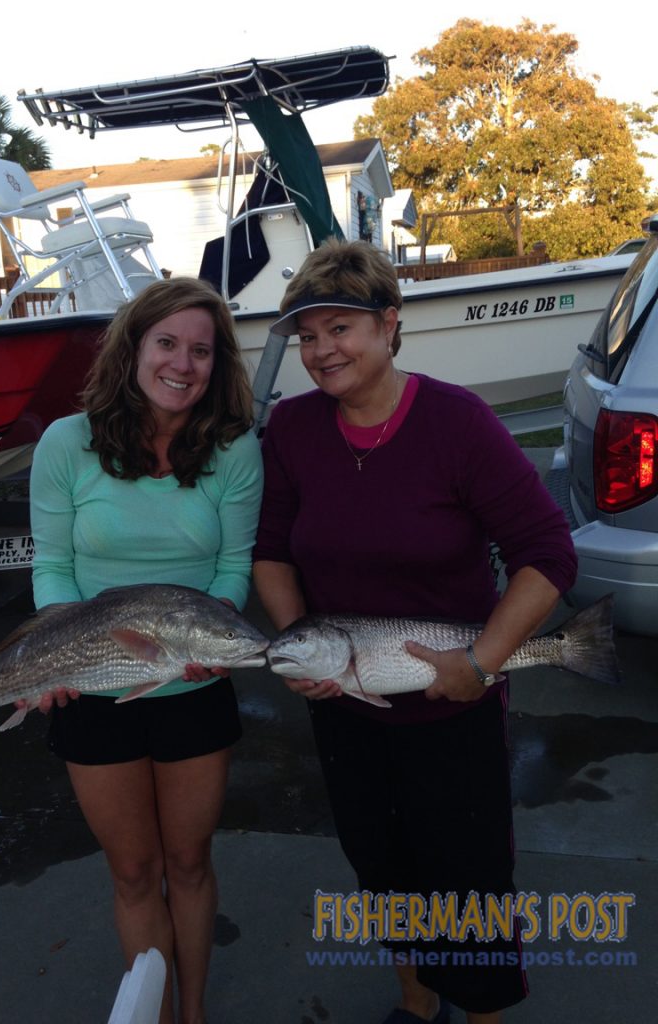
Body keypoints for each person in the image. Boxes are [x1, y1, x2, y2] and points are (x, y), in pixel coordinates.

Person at [252, 239, 577, 1024]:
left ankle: (482, 1014)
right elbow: (270, 552)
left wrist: (480, 660)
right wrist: (302, 647)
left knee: (466, 881)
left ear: (390, 323)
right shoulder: (293, 430)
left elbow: (546, 555)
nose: (322, 350)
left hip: (453, 708)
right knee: (380, 863)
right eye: (307, 335)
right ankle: (415, 1005)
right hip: (346, 705)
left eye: (341, 328)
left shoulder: (456, 423)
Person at [29, 277, 263, 1024]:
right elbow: (52, 566)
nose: (183, 364)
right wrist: (55, 654)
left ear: (216, 366)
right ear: (133, 348)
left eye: (201, 350)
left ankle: (190, 1013)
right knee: (133, 872)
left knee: (189, 864)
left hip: (195, 684)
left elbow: (234, 567)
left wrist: (207, 639)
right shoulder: (65, 444)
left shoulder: (234, 448)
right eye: (167, 343)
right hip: (91, 687)